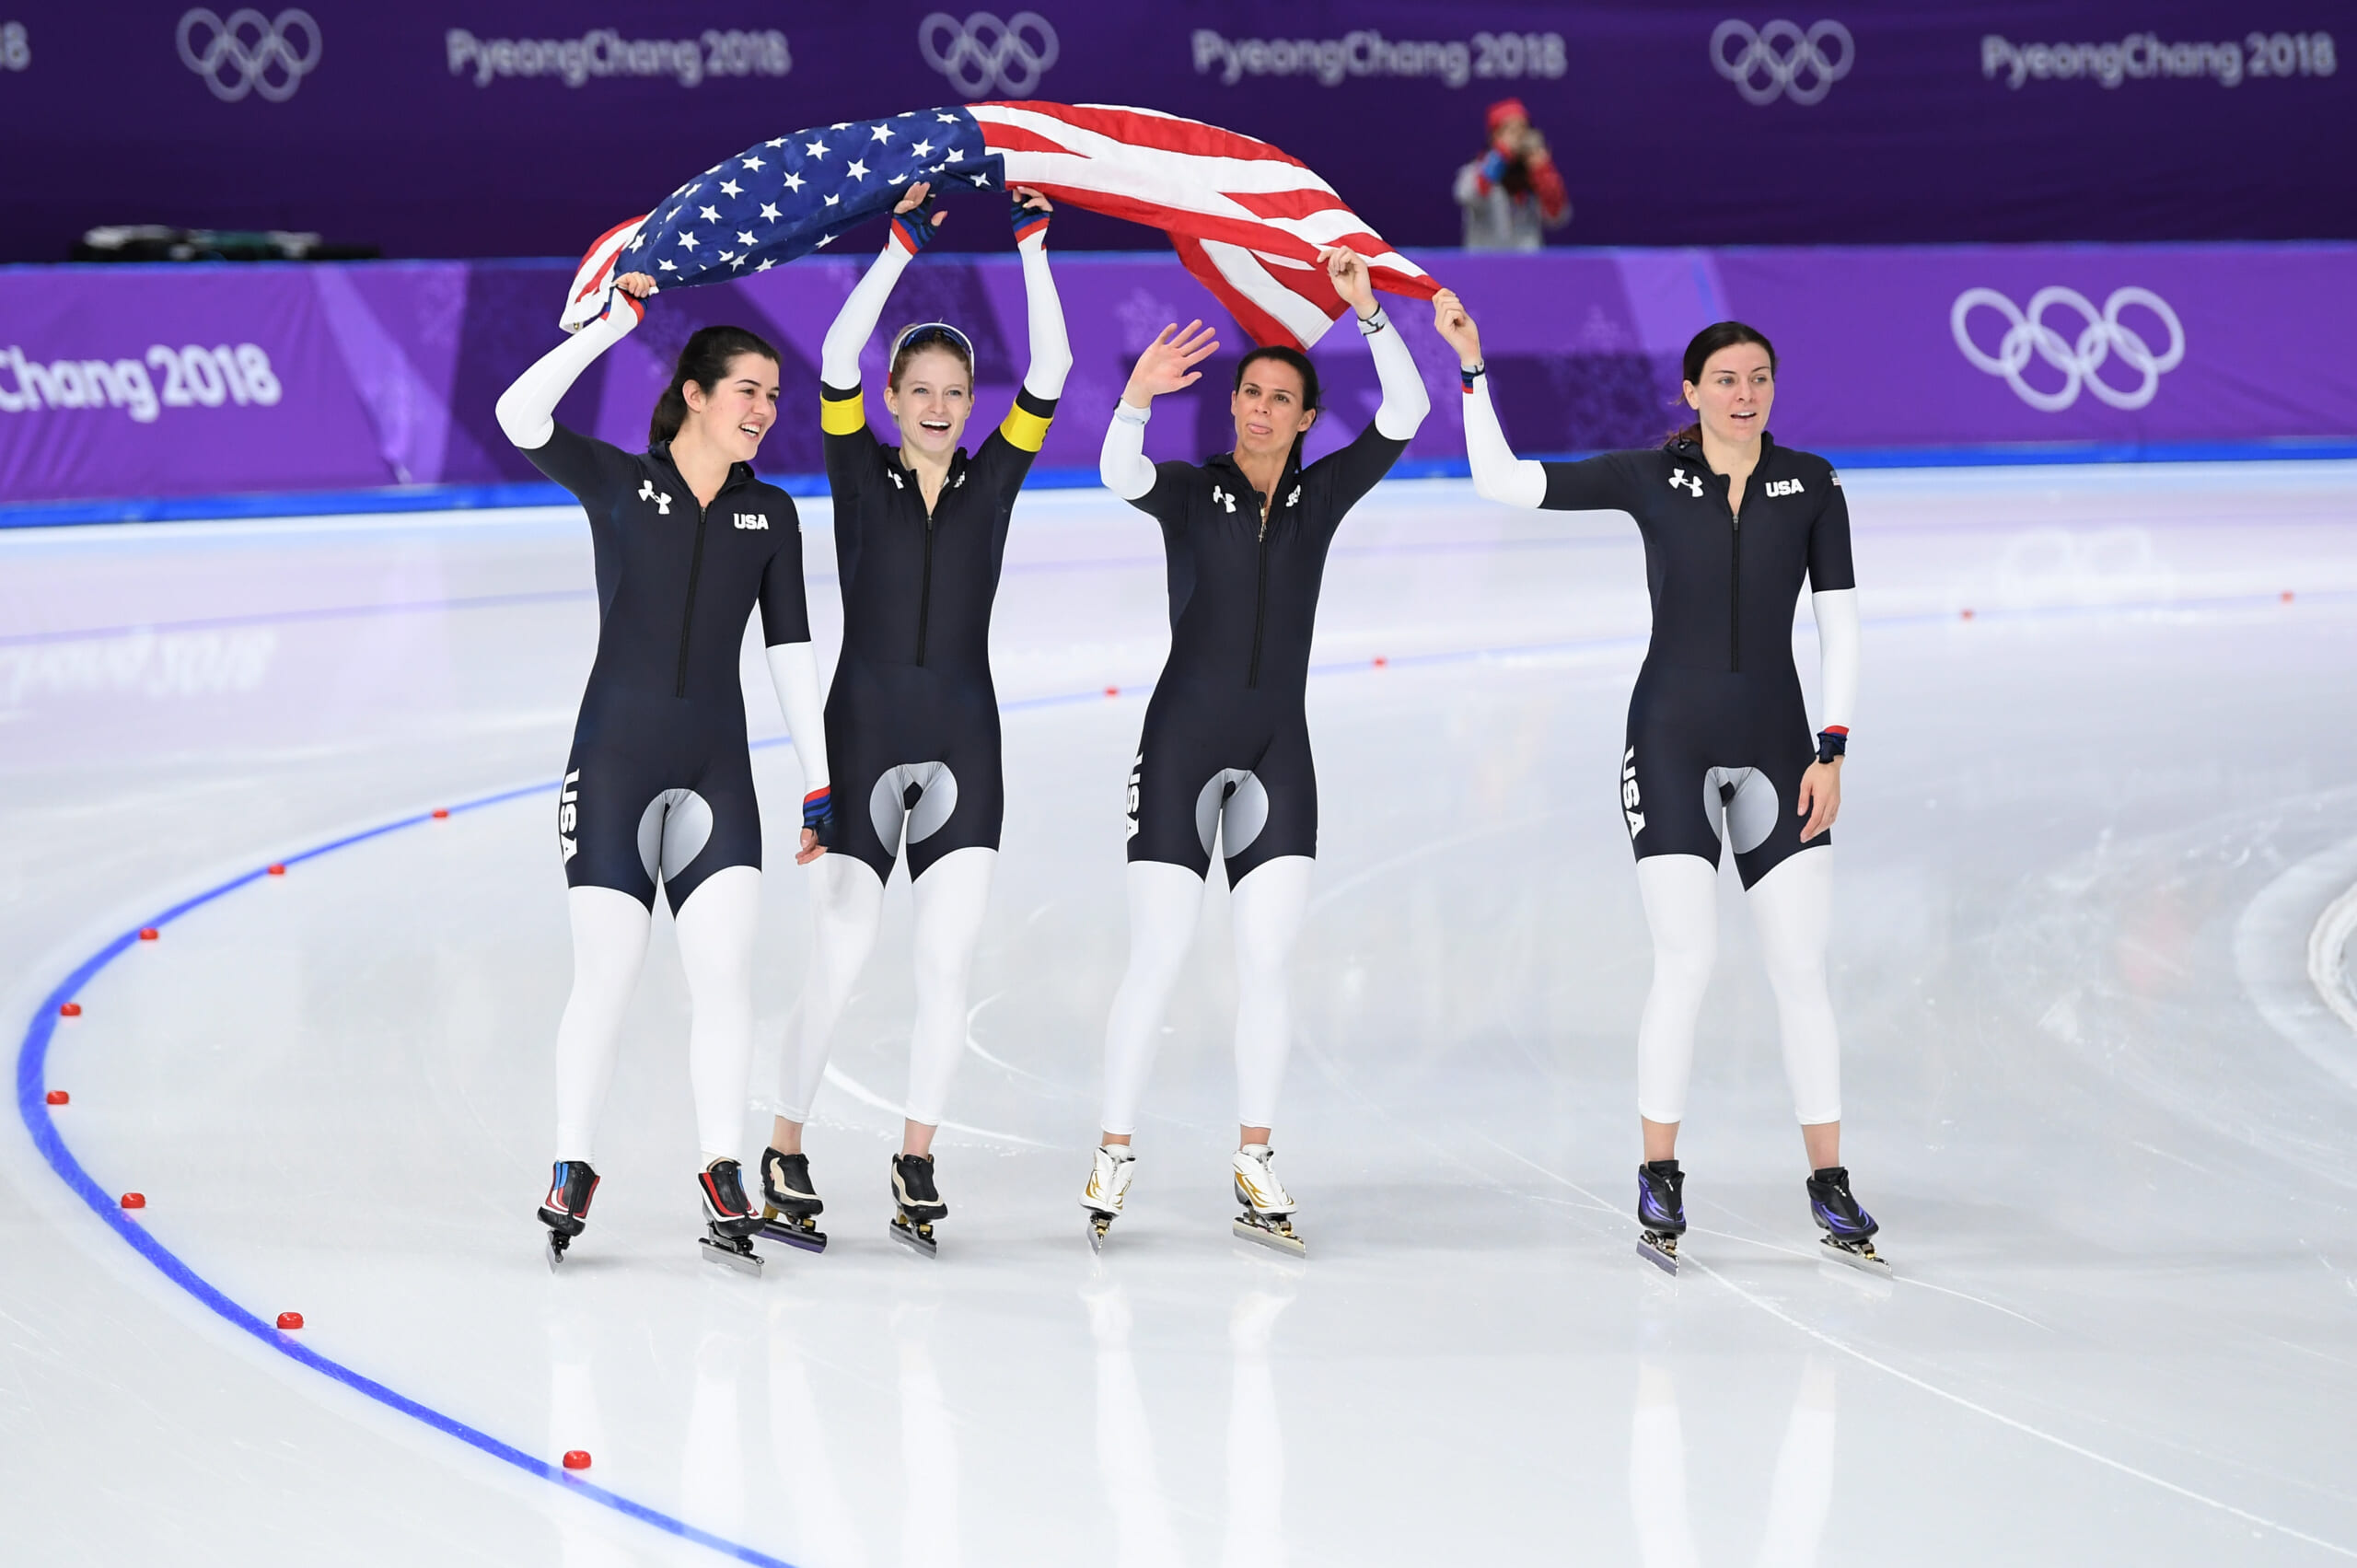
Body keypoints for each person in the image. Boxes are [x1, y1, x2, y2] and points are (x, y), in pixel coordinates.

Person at [1435, 296, 1883, 1275]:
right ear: (1690, 390)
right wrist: (1473, 372)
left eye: (1759, 378)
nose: (1744, 394)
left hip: (1780, 748)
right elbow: (1502, 481)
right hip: (1669, 741)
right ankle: (1659, 1169)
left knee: (1800, 966)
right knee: (1685, 959)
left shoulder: (1811, 485)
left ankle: (1829, 1177)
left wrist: (1832, 747)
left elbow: (1838, 625)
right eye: (1725, 379)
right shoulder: (1651, 476)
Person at [1082, 249, 1433, 1256]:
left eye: (1281, 398)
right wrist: (1136, 400)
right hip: (1182, 741)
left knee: (1269, 960)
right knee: (1158, 951)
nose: (1261, 409)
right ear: (1231, 404)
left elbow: (1404, 414)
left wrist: (1367, 314)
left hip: (1280, 747)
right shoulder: (1190, 492)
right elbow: (1116, 474)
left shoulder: (1323, 494)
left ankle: (1254, 1153)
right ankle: (1112, 1148)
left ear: (1307, 416)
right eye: (1249, 393)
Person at [493, 271, 833, 1276]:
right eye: (748, 390)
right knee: (609, 971)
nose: (766, 411)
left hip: (717, 770)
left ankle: (721, 1166)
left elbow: (791, 652)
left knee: (724, 977)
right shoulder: (616, 480)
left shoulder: (770, 513)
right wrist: (611, 327)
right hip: (614, 763)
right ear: (694, 391)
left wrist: (819, 780)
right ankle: (571, 1162)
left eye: (775, 395)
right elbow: (520, 414)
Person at [761, 180, 1071, 1259]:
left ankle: (916, 1156)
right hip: (864, 737)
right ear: (893, 395)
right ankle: (785, 1147)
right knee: (840, 961)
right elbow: (831, 359)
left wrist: (1033, 246)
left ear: (972, 397)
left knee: (948, 967)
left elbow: (1058, 372)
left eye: (955, 388)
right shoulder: (857, 472)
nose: (939, 403)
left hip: (966, 750)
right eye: (921, 387)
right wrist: (893, 251)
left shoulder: (994, 482)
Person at [1453, 98, 1571, 253]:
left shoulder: (1533, 172)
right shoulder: (1475, 170)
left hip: (1527, 266)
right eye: (1510, 130)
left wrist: (1543, 173)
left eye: (1522, 129)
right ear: (1494, 136)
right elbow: (1469, 196)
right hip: (1484, 266)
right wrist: (1502, 155)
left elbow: (1556, 217)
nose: (1518, 137)